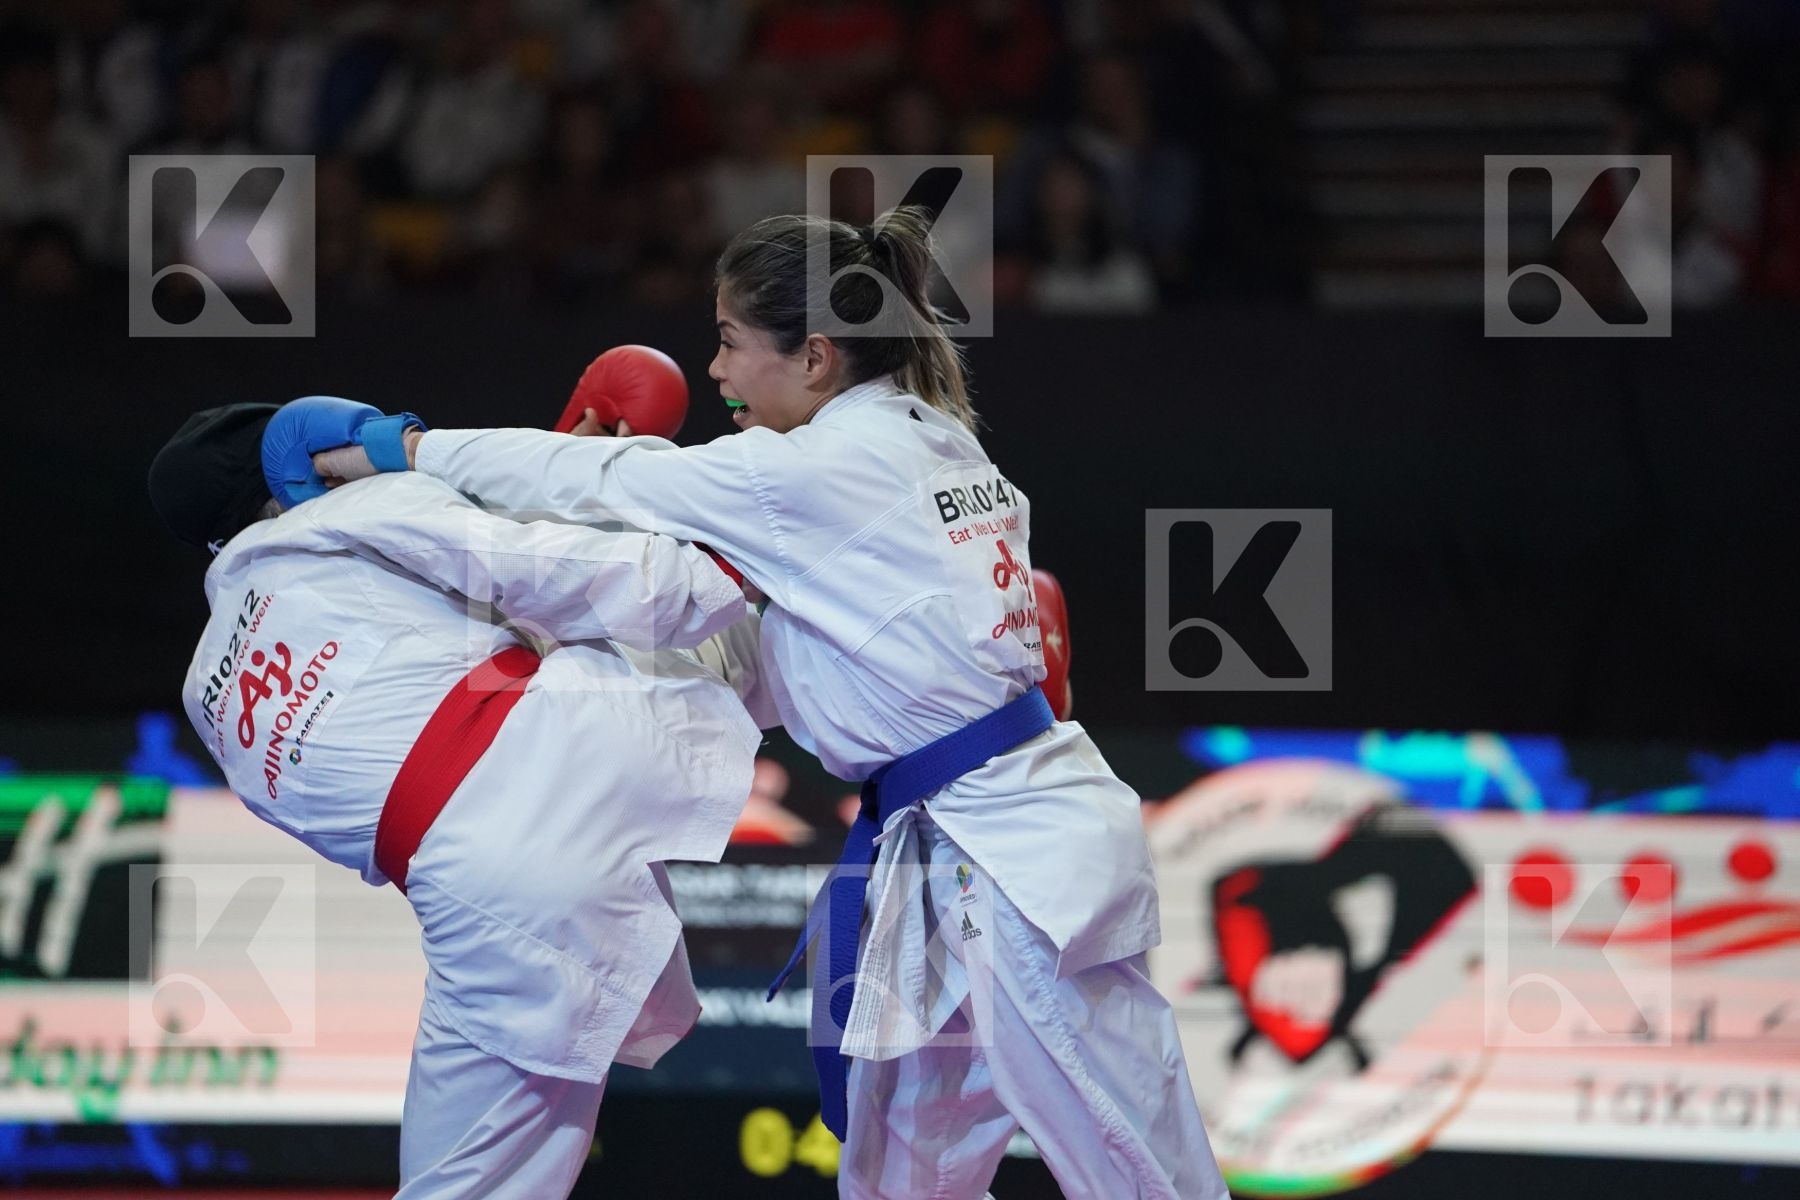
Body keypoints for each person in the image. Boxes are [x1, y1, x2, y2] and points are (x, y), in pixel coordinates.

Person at [310, 208, 1229, 1199]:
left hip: (1008, 864)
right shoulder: (936, 445)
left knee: (1143, 1172)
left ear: (818, 358)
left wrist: (403, 450)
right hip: (950, 845)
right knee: (896, 1175)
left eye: (729, 343)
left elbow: (603, 477)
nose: (713, 373)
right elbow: (772, 665)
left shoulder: (820, 471)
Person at [149, 398, 772, 1200]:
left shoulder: (209, 693)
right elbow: (539, 568)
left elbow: (414, 691)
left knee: (457, 1187)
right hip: (579, 757)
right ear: (294, 467)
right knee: (754, 630)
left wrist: (528, 485)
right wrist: (713, 561)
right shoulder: (355, 510)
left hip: (472, 899)